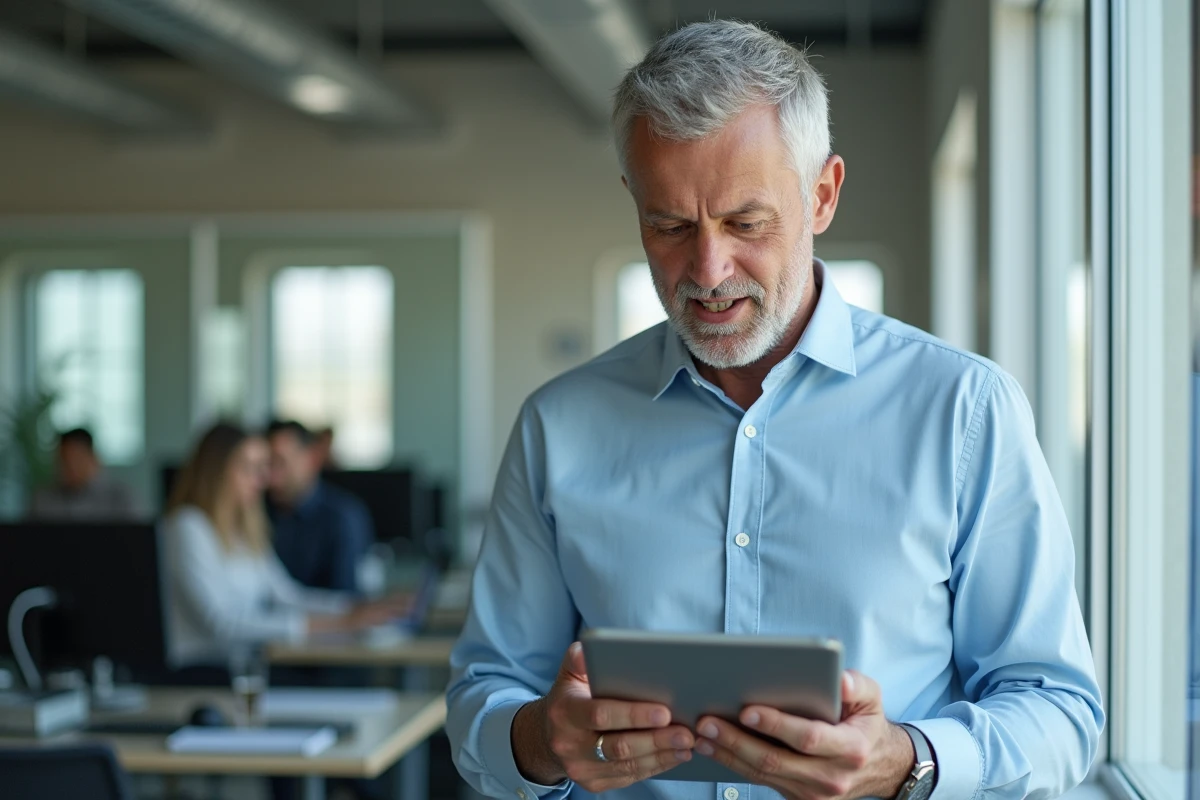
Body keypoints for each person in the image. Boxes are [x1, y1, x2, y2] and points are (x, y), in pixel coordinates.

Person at [447, 20, 1103, 800]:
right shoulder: (559, 427)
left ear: (822, 195)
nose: (709, 269)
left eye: (745, 223)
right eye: (669, 226)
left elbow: (1061, 712)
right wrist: (540, 740)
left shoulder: (963, 411)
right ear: (634, 204)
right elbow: (484, 693)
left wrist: (910, 760)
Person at [161, 422, 406, 670]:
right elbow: (221, 624)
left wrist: (361, 609)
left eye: (262, 468)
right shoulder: (188, 526)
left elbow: (287, 596)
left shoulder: (243, 531)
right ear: (216, 472)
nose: (263, 479)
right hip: (201, 673)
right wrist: (336, 623)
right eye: (250, 468)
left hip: (245, 669)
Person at [265, 420, 373, 593]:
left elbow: (344, 600)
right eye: (265, 465)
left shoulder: (343, 517)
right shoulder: (256, 509)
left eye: (280, 463)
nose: (270, 477)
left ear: (312, 460)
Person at [28, 428, 141, 521]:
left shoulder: (120, 498)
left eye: (77, 459)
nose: (71, 467)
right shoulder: (43, 499)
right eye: (64, 460)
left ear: (93, 458)